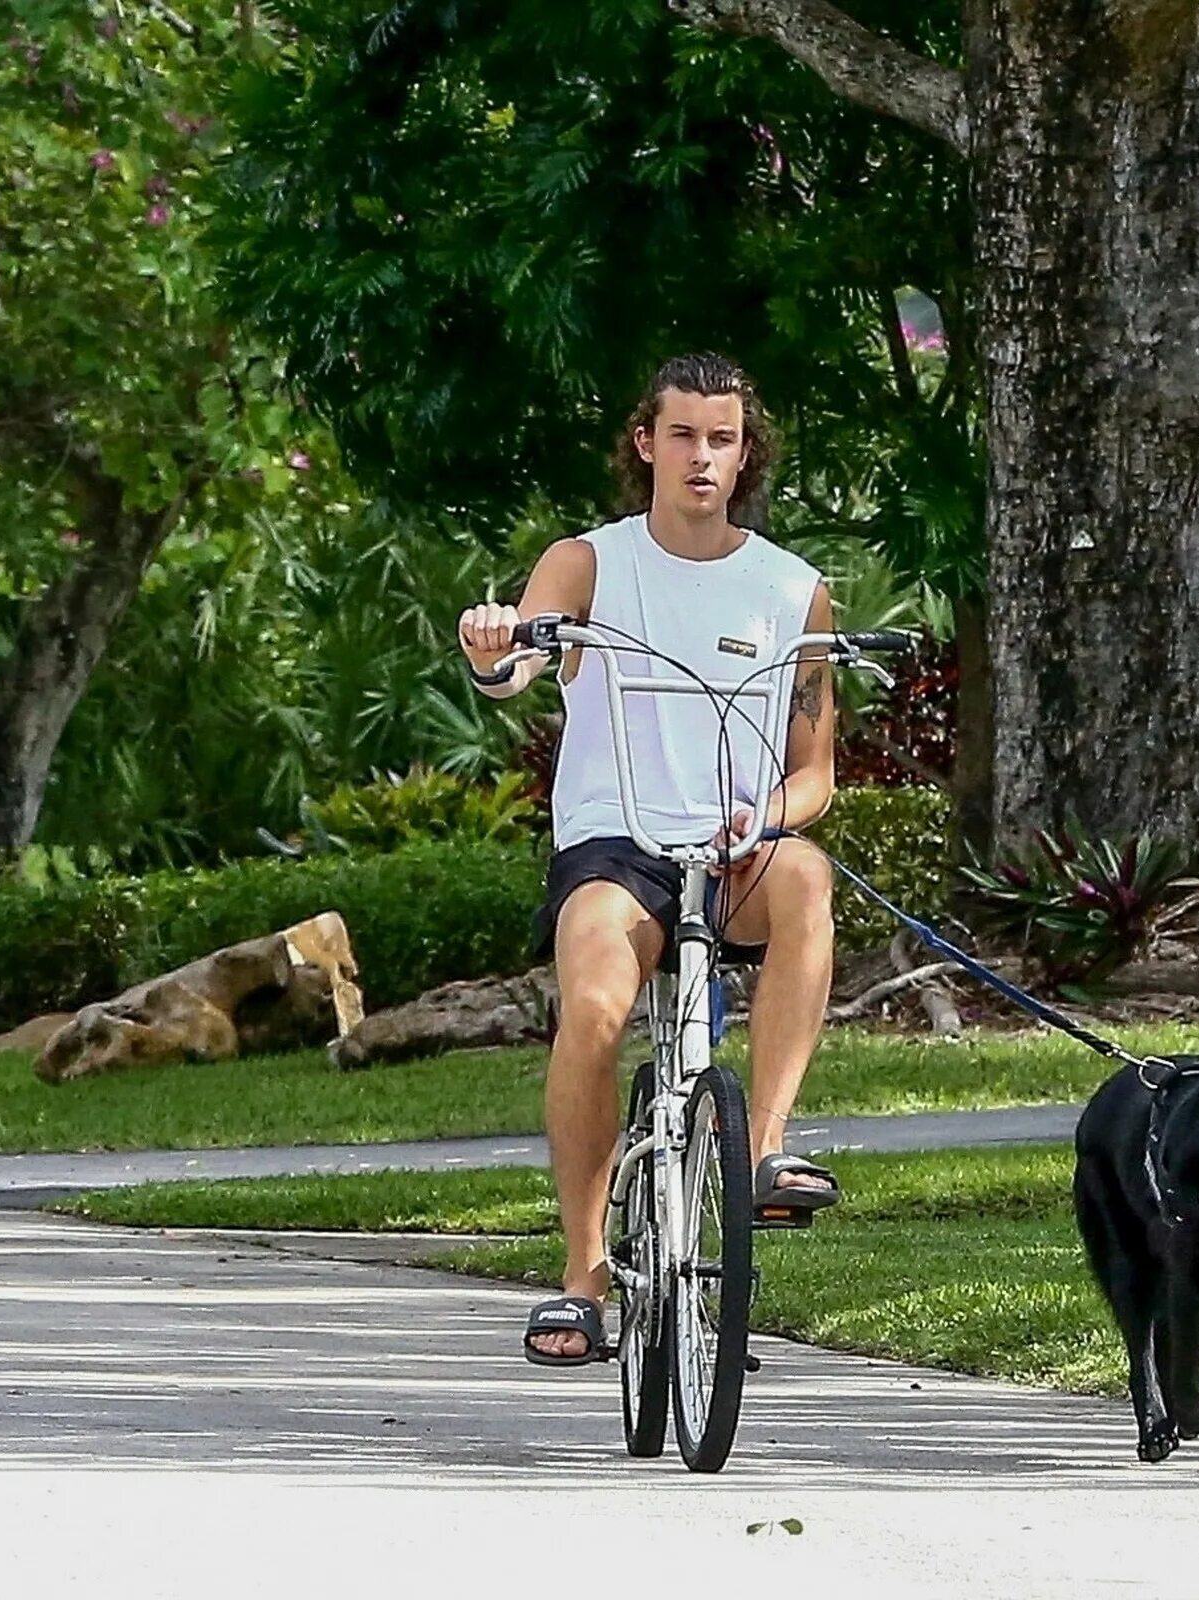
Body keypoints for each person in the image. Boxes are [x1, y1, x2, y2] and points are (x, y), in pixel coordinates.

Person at [458, 353, 843, 1365]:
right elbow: (516, 665)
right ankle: (583, 1276)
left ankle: (760, 1149)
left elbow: (816, 774)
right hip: (617, 845)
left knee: (806, 872)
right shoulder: (590, 562)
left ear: (745, 449)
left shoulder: (794, 592)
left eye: (722, 437)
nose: (702, 457)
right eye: (683, 435)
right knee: (589, 1009)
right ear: (647, 444)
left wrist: (765, 817)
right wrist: (493, 644)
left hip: (736, 849)